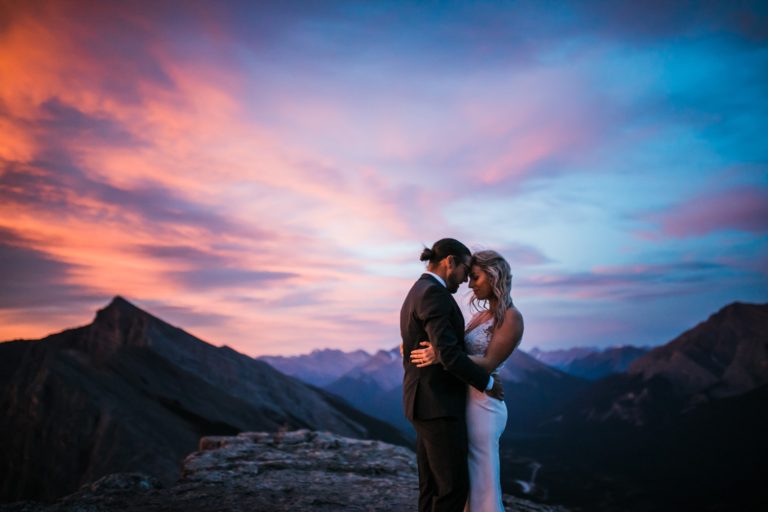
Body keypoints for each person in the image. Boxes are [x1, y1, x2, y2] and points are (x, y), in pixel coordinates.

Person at [411, 249, 524, 512]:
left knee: (481, 476)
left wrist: (441, 355)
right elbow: (454, 349)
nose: (470, 285)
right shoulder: (480, 317)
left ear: (494, 276)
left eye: (475, 277)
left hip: (485, 404)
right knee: (464, 475)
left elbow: (488, 363)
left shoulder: (511, 317)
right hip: (465, 399)